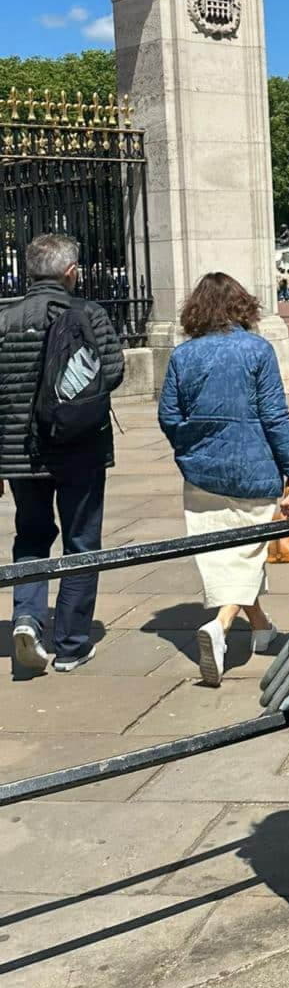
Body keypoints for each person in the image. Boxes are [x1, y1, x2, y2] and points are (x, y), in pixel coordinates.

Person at [158, 273, 289, 686]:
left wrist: (192, 443)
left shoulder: (183, 355)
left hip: (203, 472)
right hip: (254, 467)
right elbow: (274, 415)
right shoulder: (257, 349)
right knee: (248, 554)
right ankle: (220, 626)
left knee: (230, 554)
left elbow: (168, 415)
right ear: (243, 306)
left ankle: (261, 629)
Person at [0, 233, 125, 674]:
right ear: (70, 272)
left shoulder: (4, 318)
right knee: (81, 541)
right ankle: (71, 644)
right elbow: (112, 372)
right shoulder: (89, 313)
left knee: (31, 536)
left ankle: (28, 618)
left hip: (20, 452)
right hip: (79, 447)